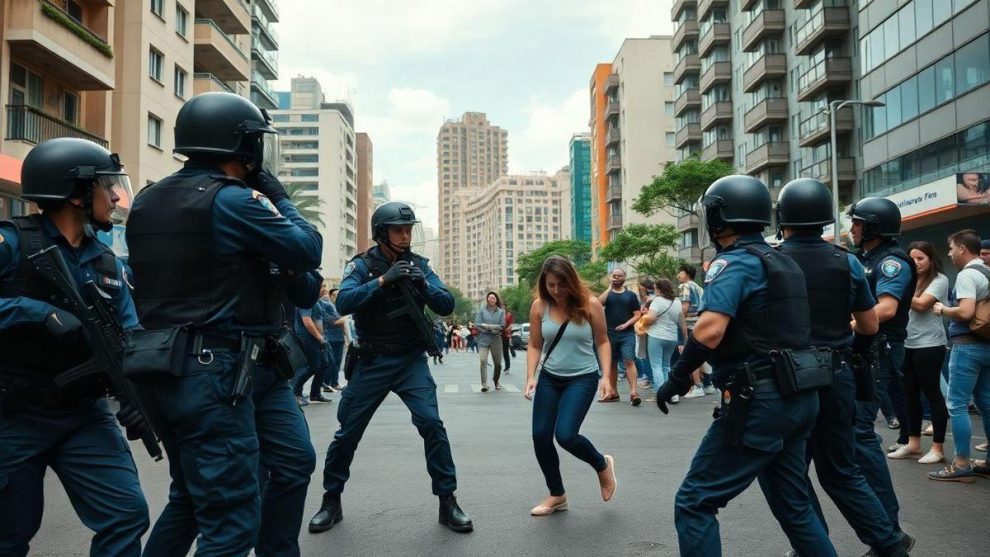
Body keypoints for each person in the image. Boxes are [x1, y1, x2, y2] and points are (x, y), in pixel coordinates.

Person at [126, 92, 323, 557]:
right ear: (242, 145)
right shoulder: (234, 201)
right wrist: (279, 198)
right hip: (218, 370)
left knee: (291, 462)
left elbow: (303, 286)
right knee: (228, 517)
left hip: (212, 364)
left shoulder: (150, 199)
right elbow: (306, 248)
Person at [656, 175, 835, 557]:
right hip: (800, 394)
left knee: (695, 501)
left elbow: (709, 329)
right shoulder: (782, 262)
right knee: (795, 505)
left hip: (759, 401)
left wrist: (675, 378)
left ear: (717, 217)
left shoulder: (732, 264)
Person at [0, 138, 150, 556]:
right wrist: (32, 311)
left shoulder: (109, 264)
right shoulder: (11, 242)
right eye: (106, 185)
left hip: (84, 413)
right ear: (76, 193)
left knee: (126, 515)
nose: (115, 195)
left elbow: (129, 335)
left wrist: (141, 397)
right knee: (9, 535)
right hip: (13, 412)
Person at [308, 201, 473, 534]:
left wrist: (423, 284)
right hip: (372, 360)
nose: (406, 235)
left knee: (432, 424)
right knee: (347, 433)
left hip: (410, 360)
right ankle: (331, 501)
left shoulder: (420, 265)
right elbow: (344, 301)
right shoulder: (363, 265)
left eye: (409, 229)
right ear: (382, 233)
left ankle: (447, 501)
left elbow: (446, 305)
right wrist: (382, 280)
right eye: (399, 229)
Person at [771, 178, 912, 557]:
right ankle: (889, 543)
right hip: (838, 374)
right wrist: (851, 354)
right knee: (842, 471)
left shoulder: (769, 260)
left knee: (792, 474)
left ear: (782, 216)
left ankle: (811, 544)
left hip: (787, 379)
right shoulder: (847, 261)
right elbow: (868, 325)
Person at [524, 256, 617, 516]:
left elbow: (603, 341)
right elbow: (534, 344)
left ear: (572, 282)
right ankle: (557, 495)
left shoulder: (591, 305)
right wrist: (531, 376)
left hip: (582, 377)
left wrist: (606, 377)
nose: (556, 290)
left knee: (565, 435)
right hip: (550, 377)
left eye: (562, 285)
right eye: (551, 285)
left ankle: (602, 465)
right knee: (540, 436)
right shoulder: (539, 307)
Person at [846, 197, 914, 542]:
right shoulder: (864, 258)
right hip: (862, 349)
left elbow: (885, 309)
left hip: (879, 350)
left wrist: (845, 323)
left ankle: (890, 529)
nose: (853, 228)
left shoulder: (892, 262)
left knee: (860, 433)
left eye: (858, 222)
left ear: (874, 225)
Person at [930, 229, 990, 481]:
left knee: (956, 405)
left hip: (967, 347)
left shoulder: (967, 275)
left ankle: (961, 462)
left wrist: (944, 309)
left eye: (951, 248)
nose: (950, 253)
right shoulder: (988, 271)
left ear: (963, 249)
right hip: (987, 345)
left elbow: (965, 312)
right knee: (987, 404)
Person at [888, 241, 949, 464]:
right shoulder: (907, 280)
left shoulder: (940, 280)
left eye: (920, 258)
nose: (916, 263)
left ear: (931, 260)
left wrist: (896, 289)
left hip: (930, 345)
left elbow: (922, 305)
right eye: (912, 258)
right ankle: (913, 444)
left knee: (932, 394)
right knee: (909, 395)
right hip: (907, 343)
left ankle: (937, 448)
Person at [598, 268, 642, 405]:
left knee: (629, 360)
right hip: (609, 333)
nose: (616, 278)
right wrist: (609, 287)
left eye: (619, 276)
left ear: (624, 277)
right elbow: (599, 303)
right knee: (611, 363)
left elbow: (637, 314)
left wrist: (626, 324)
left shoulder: (631, 295)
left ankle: (634, 392)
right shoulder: (608, 294)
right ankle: (613, 393)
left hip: (627, 334)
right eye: (614, 276)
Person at [641, 279, 686, 404]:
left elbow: (650, 318)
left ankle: (660, 393)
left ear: (659, 289)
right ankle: (672, 393)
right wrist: (685, 339)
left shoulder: (657, 301)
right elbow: (682, 323)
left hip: (656, 336)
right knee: (666, 366)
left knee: (656, 366)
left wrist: (645, 317)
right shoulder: (677, 302)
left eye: (655, 289)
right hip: (672, 337)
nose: (654, 291)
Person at [677, 265, 714, 398]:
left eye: (680, 272)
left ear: (686, 274)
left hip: (689, 324)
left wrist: (680, 322)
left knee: (690, 356)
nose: (678, 275)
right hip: (700, 323)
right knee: (700, 356)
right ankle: (708, 384)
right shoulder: (698, 287)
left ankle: (698, 386)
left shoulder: (684, 286)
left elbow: (685, 306)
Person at [294, 297, 331, 406]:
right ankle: (295, 392)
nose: (323, 288)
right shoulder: (305, 300)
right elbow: (307, 320)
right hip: (309, 339)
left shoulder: (317, 301)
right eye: (321, 286)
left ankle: (315, 393)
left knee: (324, 364)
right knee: (313, 366)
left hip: (319, 339)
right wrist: (319, 337)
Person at [476, 292, 506, 391]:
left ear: (496, 300)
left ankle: (496, 380)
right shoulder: (482, 310)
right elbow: (478, 324)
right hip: (483, 339)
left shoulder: (501, 312)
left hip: (496, 339)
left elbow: (502, 326)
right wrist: (489, 328)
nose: (491, 299)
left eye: (493, 298)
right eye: (490, 298)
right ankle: (484, 384)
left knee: (498, 363)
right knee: (483, 361)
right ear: (487, 299)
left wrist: (488, 326)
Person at [320, 287, 347, 393]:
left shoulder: (340, 307)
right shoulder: (328, 306)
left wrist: (346, 338)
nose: (336, 297)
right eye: (334, 295)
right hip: (330, 338)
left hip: (339, 338)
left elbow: (344, 325)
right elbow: (332, 321)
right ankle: (327, 383)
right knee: (330, 362)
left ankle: (334, 383)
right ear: (330, 296)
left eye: (338, 295)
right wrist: (346, 319)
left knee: (337, 361)